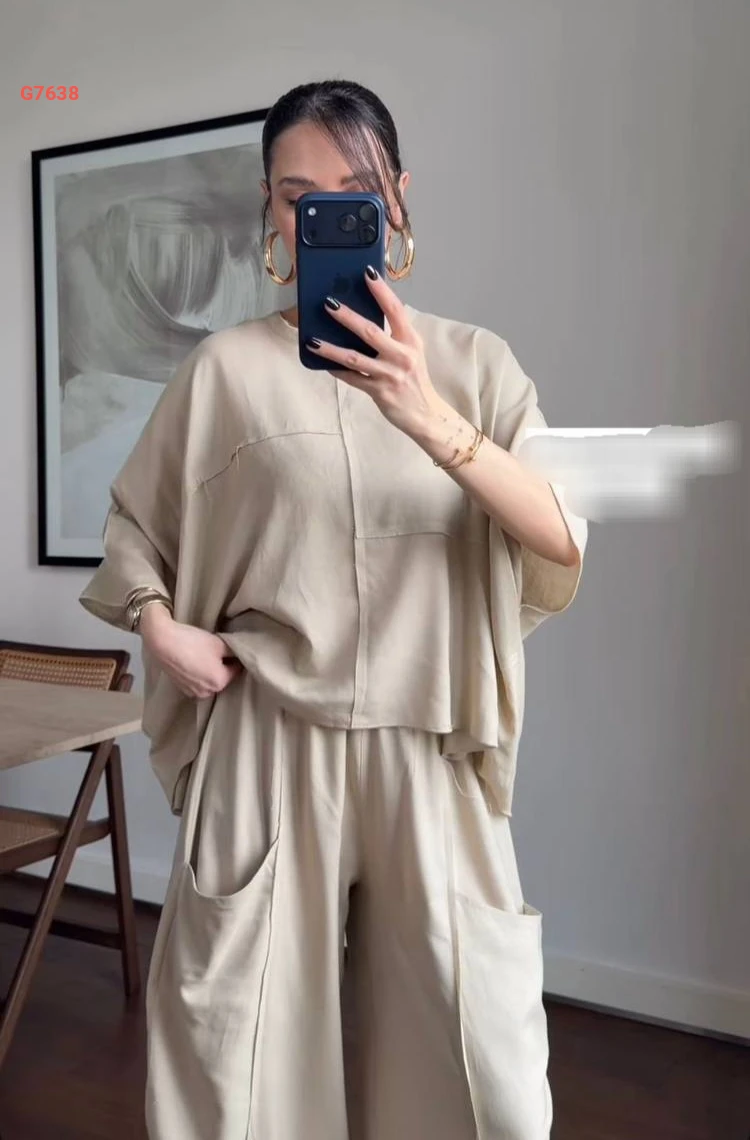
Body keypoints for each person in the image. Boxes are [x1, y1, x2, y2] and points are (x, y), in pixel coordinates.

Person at [80, 78, 587, 1140]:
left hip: (432, 747)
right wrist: (160, 628)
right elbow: (135, 529)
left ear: (396, 198)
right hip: (266, 743)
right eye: (297, 196)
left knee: (482, 1073)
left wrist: (425, 414)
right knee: (237, 1064)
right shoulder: (224, 371)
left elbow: (561, 534)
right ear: (270, 213)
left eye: (354, 189)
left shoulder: (475, 365)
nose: (323, 214)